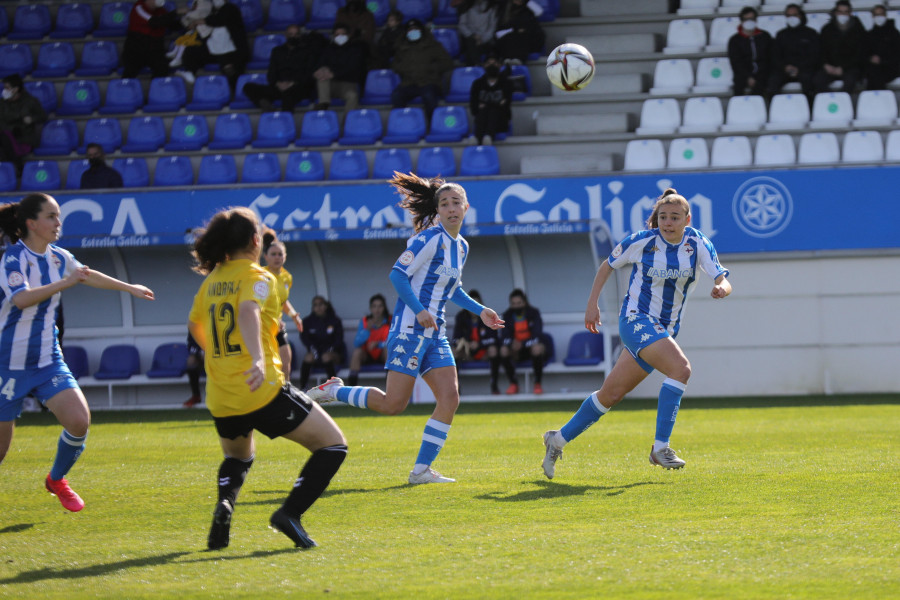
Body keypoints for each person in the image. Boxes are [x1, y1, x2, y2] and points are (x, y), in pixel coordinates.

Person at [306, 173, 505, 485]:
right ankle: (334, 391)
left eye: (456, 202)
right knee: (393, 405)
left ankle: (420, 471)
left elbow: (451, 289)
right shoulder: (429, 239)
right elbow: (397, 275)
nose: (451, 208)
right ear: (437, 211)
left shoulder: (462, 247)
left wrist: (481, 311)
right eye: (444, 203)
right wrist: (420, 310)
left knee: (450, 398)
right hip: (410, 329)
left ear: (466, 208)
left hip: (435, 334)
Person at [541, 188, 732, 480]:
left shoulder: (697, 243)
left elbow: (721, 276)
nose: (668, 223)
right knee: (681, 369)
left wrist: (722, 288)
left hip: (664, 330)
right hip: (635, 320)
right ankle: (661, 448)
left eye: (675, 218)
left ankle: (557, 440)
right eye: (663, 217)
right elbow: (607, 265)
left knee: (611, 394)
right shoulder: (643, 241)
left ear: (687, 219)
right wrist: (592, 305)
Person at [187, 207, 347, 550]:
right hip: (262, 389)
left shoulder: (211, 281)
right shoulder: (260, 278)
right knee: (333, 445)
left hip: (222, 394)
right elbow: (248, 311)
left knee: (239, 457)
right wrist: (257, 360)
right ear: (256, 241)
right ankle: (289, 513)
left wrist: (220, 359)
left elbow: (195, 326)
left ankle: (226, 504)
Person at [0, 193, 155, 512]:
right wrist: (66, 283)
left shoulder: (59, 258)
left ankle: (56, 480)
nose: (58, 222)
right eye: (51, 216)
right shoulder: (13, 258)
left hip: (47, 361)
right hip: (7, 365)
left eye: (58, 216)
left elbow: (87, 275)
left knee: (79, 421)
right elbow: (22, 299)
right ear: (31, 223)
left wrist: (130, 288)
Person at [243, 25, 327, 113]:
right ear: (286, 35)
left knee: (288, 95)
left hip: (298, 87)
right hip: (279, 87)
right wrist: (277, 83)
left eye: (296, 34)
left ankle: (285, 121)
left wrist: (292, 83)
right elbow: (271, 73)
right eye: (291, 34)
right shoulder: (277, 51)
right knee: (248, 87)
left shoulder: (307, 51)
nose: (293, 37)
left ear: (300, 36)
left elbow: (309, 74)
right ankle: (265, 104)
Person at [391, 19, 455, 122]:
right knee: (396, 95)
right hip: (409, 83)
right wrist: (405, 69)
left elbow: (447, 63)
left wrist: (431, 69)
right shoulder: (401, 47)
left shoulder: (433, 45)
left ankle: (433, 123)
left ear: (421, 30)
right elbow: (395, 65)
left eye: (416, 29)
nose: (413, 32)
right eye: (410, 30)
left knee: (428, 96)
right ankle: (402, 123)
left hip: (429, 81)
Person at [262, 231, 304, 381]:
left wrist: (293, 315)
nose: (277, 257)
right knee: (264, 365)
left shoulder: (287, 277)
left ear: (285, 257)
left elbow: (282, 301)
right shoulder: (261, 277)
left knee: (286, 360)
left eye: (280, 254)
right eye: (273, 254)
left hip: (277, 327)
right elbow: (254, 304)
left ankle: (285, 393)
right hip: (262, 328)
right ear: (265, 257)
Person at [179, 0, 248, 88]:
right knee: (191, 50)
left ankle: (234, 90)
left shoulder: (230, 8)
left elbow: (219, 20)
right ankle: (190, 72)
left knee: (230, 68)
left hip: (234, 49)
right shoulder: (211, 10)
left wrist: (199, 21)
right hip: (215, 47)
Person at [766, 3, 820, 102]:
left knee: (810, 83)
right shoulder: (781, 35)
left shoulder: (811, 34)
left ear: (801, 16)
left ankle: (809, 111)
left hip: (805, 69)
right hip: (784, 69)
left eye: (794, 15)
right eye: (789, 16)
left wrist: (799, 68)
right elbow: (775, 56)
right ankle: (775, 111)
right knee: (772, 82)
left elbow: (814, 56)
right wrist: (785, 67)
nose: (792, 18)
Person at [451, 289, 501, 394]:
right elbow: (455, 338)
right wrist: (465, 344)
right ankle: (455, 387)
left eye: (476, 304)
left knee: (493, 350)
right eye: (471, 305)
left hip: (483, 352)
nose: (473, 309)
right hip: (467, 353)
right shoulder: (461, 317)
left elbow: (494, 339)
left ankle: (494, 385)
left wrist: (480, 344)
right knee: (454, 352)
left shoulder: (487, 316)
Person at [499, 288, 546, 395]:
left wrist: (523, 344)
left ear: (524, 302)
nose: (516, 306)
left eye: (519, 303)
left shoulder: (534, 313)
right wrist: (512, 343)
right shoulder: (507, 315)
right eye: (513, 304)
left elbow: (538, 335)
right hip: (515, 351)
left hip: (530, 349)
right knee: (503, 350)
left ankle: (537, 384)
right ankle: (513, 383)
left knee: (537, 348)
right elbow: (504, 336)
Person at [313, 23, 368, 113]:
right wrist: (318, 72)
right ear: (333, 36)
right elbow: (319, 64)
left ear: (348, 35)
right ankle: (323, 104)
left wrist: (333, 74)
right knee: (321, 76)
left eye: (342, 34)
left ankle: (347, 124)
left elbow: (354, 68)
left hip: (348, 85)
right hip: (330, 85)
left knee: (353, 96)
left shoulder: (355, 50)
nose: (339, 37)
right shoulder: (328, 49)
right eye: (337, 35)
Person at [813, 0, 866, 94]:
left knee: (850, 81)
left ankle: (844, 104)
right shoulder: (827, 29)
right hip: (830, 67)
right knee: (818, 80)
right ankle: (830, 102)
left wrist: (843, 68)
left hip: (850, 68)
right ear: (836, 12)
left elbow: (860, 54)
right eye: (840, 12)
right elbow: (821, 50)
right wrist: (825, 64)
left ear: (850, 13)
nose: (843, 15)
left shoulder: (859, 30)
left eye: (846, 12)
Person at [0, 75, 47, 174]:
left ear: (16, 89)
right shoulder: (2, 103)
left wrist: (32, 119)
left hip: (23, 137)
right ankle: (11, 171)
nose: (4, 90)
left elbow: (42, 116)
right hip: (5, 134)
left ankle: (15, 168)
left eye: (7, 88)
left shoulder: (30, 101)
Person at [298, 296, 345, 390]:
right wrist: (314, 350)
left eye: (321, 304)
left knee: (326, 357)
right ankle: (303, 388)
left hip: (332, 354)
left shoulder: (335, 321)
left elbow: (339, 340)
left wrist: (329, 350)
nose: (318, 307)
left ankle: (334, 388)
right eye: (315, 305)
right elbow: (305, 339)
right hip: (315, 353)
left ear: (326, 306)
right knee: (308, 357)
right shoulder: (307, 322)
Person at [122, 0, 175, 79]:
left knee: (162, 68)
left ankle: (155, 90)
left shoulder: (161, 10)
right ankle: (125, 89)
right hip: (136, 49)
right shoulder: (139, 7)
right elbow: (154, 22)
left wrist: (188, 21)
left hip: (154, 50)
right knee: (130, 70)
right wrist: (176, 13)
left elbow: (172, 24)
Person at [727, 6, 773, 96]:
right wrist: (748, 77)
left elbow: (770, 57)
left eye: (751, 19)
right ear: (741, 21)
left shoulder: (765, 36)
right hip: (743, 73)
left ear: (756, 20)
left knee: (764, 85)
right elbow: (736, 62)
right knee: (738, 87)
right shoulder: (734, 40)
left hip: (763, 73)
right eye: (746, 19)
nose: (749, 21)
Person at [347, 293, 391, 386]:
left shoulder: (390, 320)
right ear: (370, 308)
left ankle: (390, 388)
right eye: (374, 306)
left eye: (380, 306)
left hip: (382, 355)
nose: (377, 310)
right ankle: (351, 389)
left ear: (384, 307)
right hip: (368, 354)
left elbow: (393, 342)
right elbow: (356, 343)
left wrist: (378, 344)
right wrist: (367, 330)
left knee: (388, 351)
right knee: (357, 352)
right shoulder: (365, 321)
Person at [469, 53, 512, 145]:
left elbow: (506, 106)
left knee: (492, 110)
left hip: (500, 121)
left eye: (495, 63)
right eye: (488, 63)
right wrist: (497, 103)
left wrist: (486, 105)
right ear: (484, 66)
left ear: (500, 66)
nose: (492, 66)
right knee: (485, 111)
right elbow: (474, 108)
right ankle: (479, 137)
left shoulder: (506, 83)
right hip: (482, 119)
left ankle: (487, 137)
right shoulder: (477, 84)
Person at [494, 0, 545, 65]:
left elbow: (539, 12)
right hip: (509, 39)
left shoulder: (528, 9)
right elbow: (498, 34)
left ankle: (518, 60)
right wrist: (514, 30)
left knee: (523, 36)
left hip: (527, 39)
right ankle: (507, 60)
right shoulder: (505, 11)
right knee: (510, 38)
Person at [862, 4, 900, 90]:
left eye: (881, 14)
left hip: (891, 67)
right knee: (873, 72)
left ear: (885, 15)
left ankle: (872, 99)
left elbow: (897, 54)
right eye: (876, 15)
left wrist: (882, 60)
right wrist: (871, 58)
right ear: (872, 16)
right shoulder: (869, 35)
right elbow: (864, 53)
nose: (879, 17)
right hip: (873, 68)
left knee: (875, 75)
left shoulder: (894, 33)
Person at [166, 0, 212, 69]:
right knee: (183, 38)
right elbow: (187, 18)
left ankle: (179, 58)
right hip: (194, 30)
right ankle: (175, 52)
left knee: (186, 43)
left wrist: (188, 16)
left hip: (203, 32)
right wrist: (188, 18)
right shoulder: (196, 2)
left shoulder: (207, 3)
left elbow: (198, 14)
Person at [459, 0, 500, 66]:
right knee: (470, 43)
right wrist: (473, 36)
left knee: (471, 49)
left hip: (486, 41)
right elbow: (462, 25)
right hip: (470, 38)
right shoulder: (466, 6)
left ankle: (474, 66)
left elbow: (492, 28)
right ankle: (476, 65)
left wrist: (482, 39)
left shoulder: (492, 7)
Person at [183, 331, 204, 408]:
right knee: (191, 361)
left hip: (217, 354)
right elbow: (191, 343)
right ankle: (196, 396)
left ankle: (223, 394)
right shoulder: (194, 321)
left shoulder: (216, 321)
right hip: (200, 354)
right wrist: (199, 352)